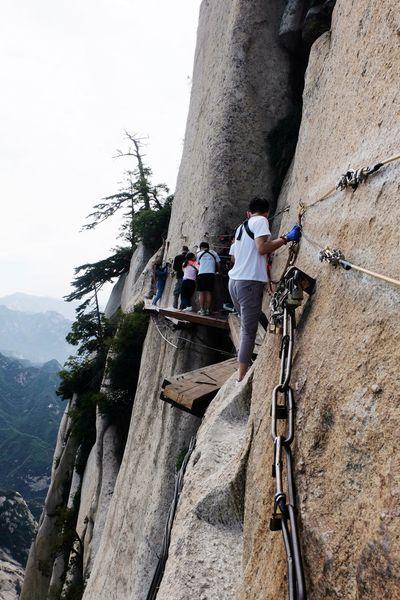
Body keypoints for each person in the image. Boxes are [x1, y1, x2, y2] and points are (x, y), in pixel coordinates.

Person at [229, 197, 301, 381]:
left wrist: (262, 274)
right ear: (267, 212)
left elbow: (235, 258)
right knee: (248, 331)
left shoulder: (240, 228)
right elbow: (262, 249)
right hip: (248, 284)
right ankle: (242, 376)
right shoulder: (261, 221)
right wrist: (286, 238)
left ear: (248, 212)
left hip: (234, 282)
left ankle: (242, 366)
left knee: (246, 325)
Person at [196, 241, 221, 315]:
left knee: (201, 293)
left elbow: (198, 263)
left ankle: (202, 310)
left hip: (201, 274)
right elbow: (218, 263)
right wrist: (218, 272)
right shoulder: (214, 253)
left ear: (201, 248)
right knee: (208, 292)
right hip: (211, 274)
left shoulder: (199, 254)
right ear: (208, 247)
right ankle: (207, 310)